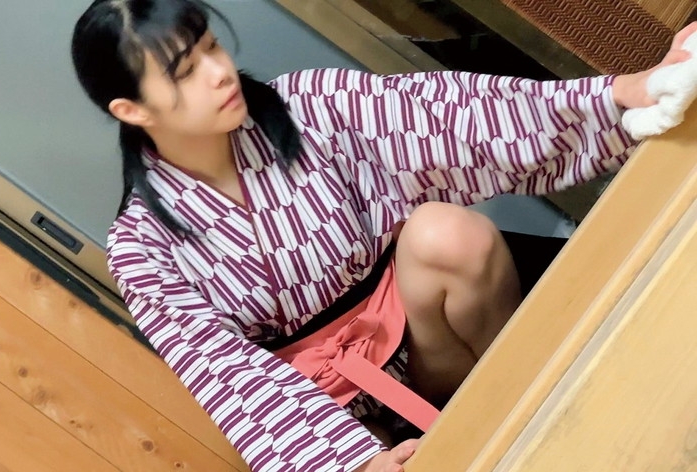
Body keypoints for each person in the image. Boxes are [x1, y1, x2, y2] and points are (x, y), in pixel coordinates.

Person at [71, 1, 696, 470]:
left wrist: (623, 93)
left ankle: (551, 389)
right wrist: (351, 462)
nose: (218, 72)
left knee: (445, 233)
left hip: (431, 337)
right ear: (132, 110)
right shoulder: (142, 249)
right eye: (185, 71)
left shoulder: (306, 104)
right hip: (338, 416)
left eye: (212, 46)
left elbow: (450, 116)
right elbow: (229, 374)